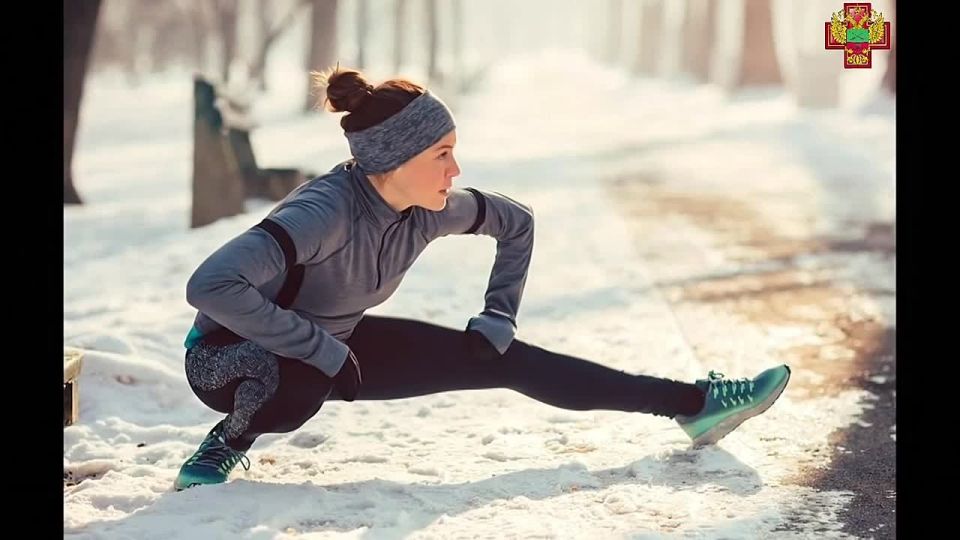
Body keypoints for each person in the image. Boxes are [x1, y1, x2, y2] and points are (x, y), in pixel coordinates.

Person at [174, 66, 791, 491]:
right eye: (441, 154)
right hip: (227, 359)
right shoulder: (321, 214)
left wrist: (499, 314)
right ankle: (226, 442)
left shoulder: (426, 210)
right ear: (393, 159)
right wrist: (320, 347)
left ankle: (694, 404)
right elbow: (211, 286)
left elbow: (516, 223)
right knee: (305, 371)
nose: (456, 168)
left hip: (334, 348)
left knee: (499, 356)